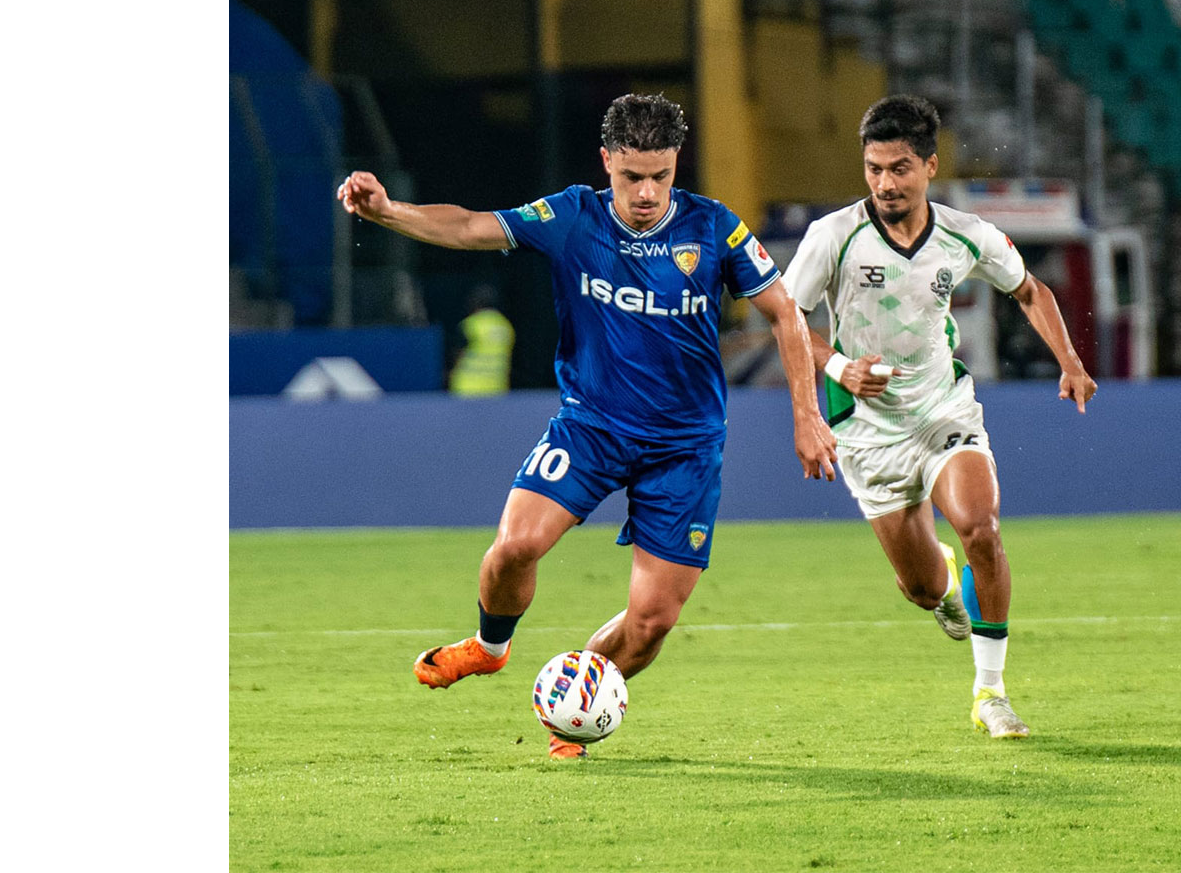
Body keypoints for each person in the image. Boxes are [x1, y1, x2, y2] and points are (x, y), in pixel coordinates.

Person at [336, 93, 837, 759]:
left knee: (654, 619)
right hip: (592, 426)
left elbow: (787, 315)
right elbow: (469, 227)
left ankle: (569, 716)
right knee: (514, 547)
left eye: (661, 175)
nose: (648, 192)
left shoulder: (713, 228)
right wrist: (389, 211)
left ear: (675, 164)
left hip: (685, 447)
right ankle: (489, 647)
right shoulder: (572, 215)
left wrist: (809, 417)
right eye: (633, 177)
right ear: (607, 162)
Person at [781, 95, 1097, 739]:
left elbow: (1029, 289)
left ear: (929, 166)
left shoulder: (964, 236)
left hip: (942, 410)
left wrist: (1069, 360)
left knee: (981, 527)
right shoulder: (834, 237)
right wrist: (836, 370)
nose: (885, 183)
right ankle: (945, 589)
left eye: (899, 168)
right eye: (873, 169)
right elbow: (786, 318)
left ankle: (991, 692)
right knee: (923, 588)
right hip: (867, 431)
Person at [448, 284, 515, 397]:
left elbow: (458, 355)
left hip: (467, 389)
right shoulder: (506, 327)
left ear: (475, 303)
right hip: (497, 388)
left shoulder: (471, 325)